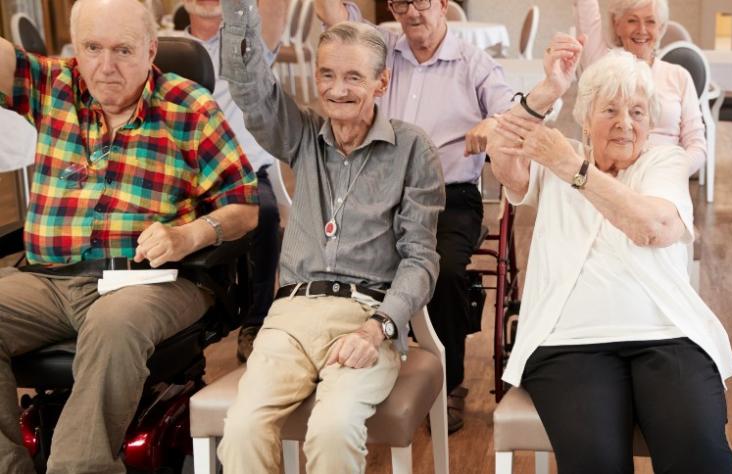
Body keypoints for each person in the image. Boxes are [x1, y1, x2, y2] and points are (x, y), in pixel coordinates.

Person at [0, 0, 260, 470]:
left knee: (112, 325)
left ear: (151, 49)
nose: (105, 67)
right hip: (49, 280)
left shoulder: (189, 107)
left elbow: (244, 209)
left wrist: (189, 236)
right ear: (75, 49)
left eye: (122, 50)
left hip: (153, 281)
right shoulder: (54, 85)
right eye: (92, 48)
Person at [214, 0, 445, 470]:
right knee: (240, 429)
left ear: (383, 82)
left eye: (354, 78)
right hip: (292, 318)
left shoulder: (412, 149)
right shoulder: (303, 134)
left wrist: (379, 326)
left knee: (333, 429)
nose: (336, 91)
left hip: (364, 317)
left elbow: (421, 258)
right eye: (326, 76)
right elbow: (248, 87)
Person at [487, 40, 732, 473]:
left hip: (667, 333)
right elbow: (502, 155)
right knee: (596, 465)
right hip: (568, 342)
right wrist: (548, 89)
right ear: (585, 118)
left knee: (701, 456)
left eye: (637, 112)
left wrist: (576, 172)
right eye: (610, 111)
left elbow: (654, 228)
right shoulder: (556, 156)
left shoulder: (664, 162)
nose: (625, 124)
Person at [313, 0, 514, 431]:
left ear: (443, 4)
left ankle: (449, 382)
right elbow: (331, 14)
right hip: (380, 190)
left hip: (450, 196)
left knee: (442, 270)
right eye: (401, 2)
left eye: (422, 1)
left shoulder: (473, 62)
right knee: (335, 259)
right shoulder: (380, 48)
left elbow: (509, 113)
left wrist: (493, 124)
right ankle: (347, 366)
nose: (411, 12)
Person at [174, 0, 289, 362]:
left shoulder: (250, 40)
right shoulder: (166, 49)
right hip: (184, 179)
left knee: (265, 213)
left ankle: (257, 320)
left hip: (246, 174)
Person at [576, 0, 707, 174]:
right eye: (632, 20)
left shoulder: (679, 76)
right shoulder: (602, 67)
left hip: (662, 174)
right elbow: (586, 13)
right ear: (617, 25)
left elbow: (697, 144)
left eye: (650, 21)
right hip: (608, 175)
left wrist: (674, 172)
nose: (642, 29)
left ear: (660, 28)